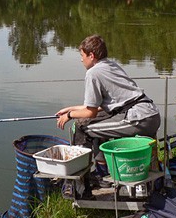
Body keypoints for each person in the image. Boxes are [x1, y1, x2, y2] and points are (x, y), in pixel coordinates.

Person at [56, 35, 161, 191]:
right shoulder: (110, 65)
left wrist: (69, 116)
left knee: (83, 129)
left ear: (91, 55)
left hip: (138, 118)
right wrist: (71, 109)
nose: (81, 60)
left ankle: (82, 181)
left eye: (82, 56)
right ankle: (102, 170)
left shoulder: (93, 73)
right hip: (150, 112)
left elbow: (90, 112)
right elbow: (100, 106)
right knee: (95, 123)